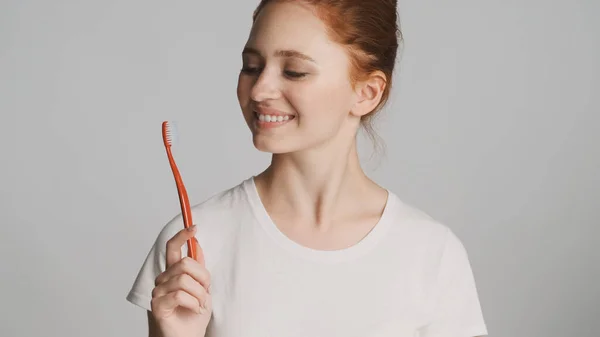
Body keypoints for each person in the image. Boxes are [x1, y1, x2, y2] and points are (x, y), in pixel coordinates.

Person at [126, 1, 489, 336]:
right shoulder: (192, 248)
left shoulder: (431, 254)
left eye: (295, 71)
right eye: (251, 67)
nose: (259, 90)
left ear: (367, 92)